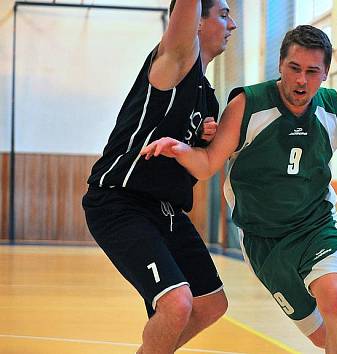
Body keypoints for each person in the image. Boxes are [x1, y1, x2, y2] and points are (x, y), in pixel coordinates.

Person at [141, 25, 337, 354]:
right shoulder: (248, 104)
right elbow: (209, 164)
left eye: (312, 71)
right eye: (294, 68)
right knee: (323, 337)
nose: (302, 80)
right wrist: (181, 150)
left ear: (326, 72)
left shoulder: (332, 108)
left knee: (336, 302)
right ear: (280, 64)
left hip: (316, 226)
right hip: (265, 242)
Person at [82, 1, 237, 353]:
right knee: (176, 303)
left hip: (167, 211)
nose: (232, 24)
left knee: (212, 304)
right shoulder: (177, 61)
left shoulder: (207, 99)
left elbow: (195, 164)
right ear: (195, 22)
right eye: (224, 14)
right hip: (120, 201)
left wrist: (199, 141)